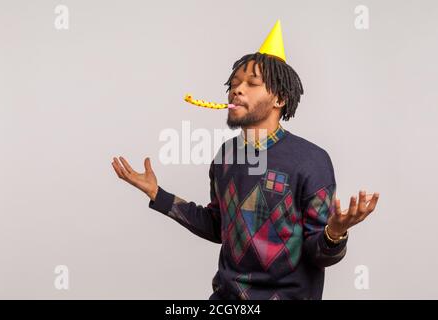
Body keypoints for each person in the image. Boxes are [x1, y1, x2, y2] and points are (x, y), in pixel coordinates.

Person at [111, 20, 379, 300]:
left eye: (252, 84)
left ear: (280, 99)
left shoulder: (311, 160)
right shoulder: (225, 156)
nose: (237, 90)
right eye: (234, 84)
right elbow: (218, 226)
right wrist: (157, 194)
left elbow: (319, 254)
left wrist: (335, 232)